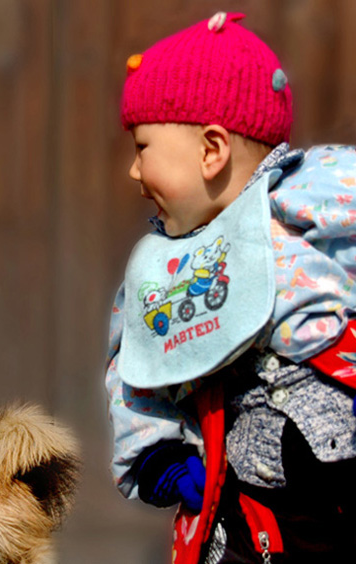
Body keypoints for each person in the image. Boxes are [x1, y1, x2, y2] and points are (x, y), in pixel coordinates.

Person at [106, 11, 356, 564]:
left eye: (143, 147)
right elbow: (136, 369)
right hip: (251, 499)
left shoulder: (313, 194)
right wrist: (158, 456)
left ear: (211, 150)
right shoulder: (162, 269)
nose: (132, 170)